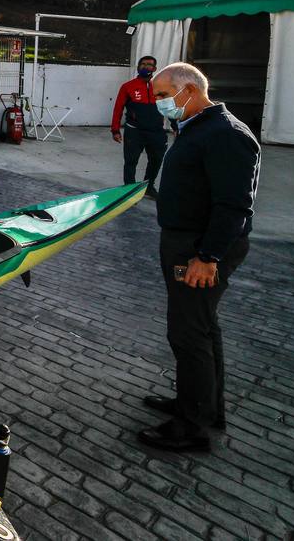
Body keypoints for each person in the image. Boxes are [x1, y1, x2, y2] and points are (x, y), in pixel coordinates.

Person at [137, 62, 259, 453]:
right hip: (187, 243)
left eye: (160, 95)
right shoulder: (196, 127)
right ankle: (201, 406)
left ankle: (192, 427)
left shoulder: (225, 135)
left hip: (199, 250)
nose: (156, 102)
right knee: (201, 329)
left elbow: (233, 205)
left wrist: (207, 257)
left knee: (188, 333)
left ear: (187, 90)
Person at [111, 55, 168, 196]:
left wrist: (175, 125)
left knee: (156, 160)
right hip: (134, 131)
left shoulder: (161, 87)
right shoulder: (128, 87)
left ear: (154, 69)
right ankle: (129, 191)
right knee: (131, 162)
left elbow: (169, 106)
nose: (145, 66)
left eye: (149, 65)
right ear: (138, 67)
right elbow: (118, 108)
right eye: (142, 64)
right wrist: (115, 130)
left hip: (156, 132)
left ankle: (148, 187)